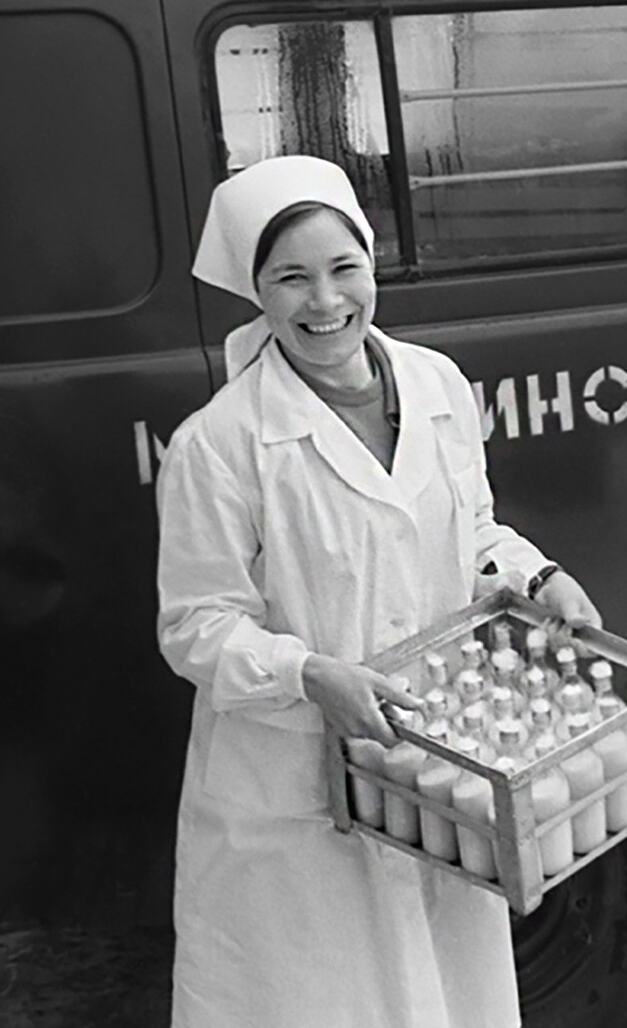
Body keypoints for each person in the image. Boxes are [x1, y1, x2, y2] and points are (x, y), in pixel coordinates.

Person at [155, 155, 601, 1028]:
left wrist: (538, 576)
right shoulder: (219, 444)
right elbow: (195, 626)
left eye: (342, 269)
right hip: (290, 782)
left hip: (432, 762)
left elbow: (471, 528)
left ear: (372, 265)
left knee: (448, 990)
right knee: (326, 998)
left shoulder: (436, 384)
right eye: (292, 279)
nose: (324, 303)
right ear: (259, 294)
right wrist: (311, 673)